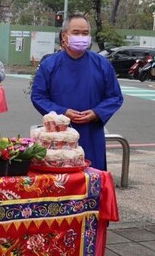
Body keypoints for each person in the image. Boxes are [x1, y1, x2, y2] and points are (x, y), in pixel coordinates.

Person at [30, 14, 123, 171]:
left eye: (85, 33)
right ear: (65, 36)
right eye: (76, 32)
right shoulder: (50, 65)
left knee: (92, 181)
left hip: (92, 133)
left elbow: (114, 96)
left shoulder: (102, 64)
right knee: (60, 183)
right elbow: (38, 96)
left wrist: (97, 112)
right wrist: (62, 112)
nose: (81, 37)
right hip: (58, 136)